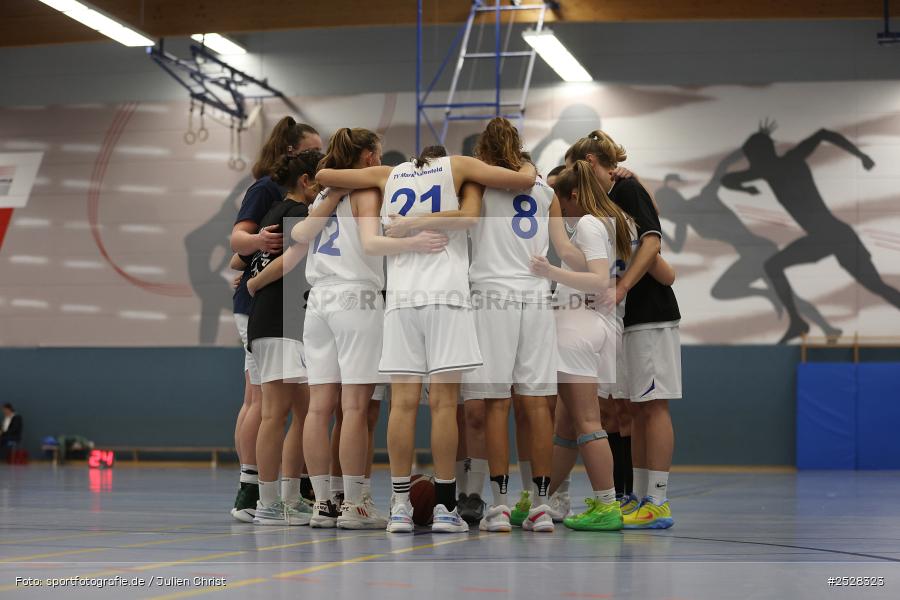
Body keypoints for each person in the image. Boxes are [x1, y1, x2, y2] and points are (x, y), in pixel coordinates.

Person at [316, 147, 534, 533]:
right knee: (445, 404)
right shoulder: (458, 167)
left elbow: (325, 176)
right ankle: (446, 508)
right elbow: (522, 181)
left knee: (400, 405)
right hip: (446, 297)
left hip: (401, 300)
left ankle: (400, 507)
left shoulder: (388, 174)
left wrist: (402, 222)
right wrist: (528, 164)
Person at [460, 118, 588, 533]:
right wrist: (597, 268)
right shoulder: (546, 191)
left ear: (484, 150)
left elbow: (463, 228)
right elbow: (566, 250)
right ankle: (540, 506)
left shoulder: (478, 184)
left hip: (491, 296)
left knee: (496, 400)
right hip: (536, 296)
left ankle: (498, 506)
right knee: (537, 403)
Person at [566, 130, 680, 529]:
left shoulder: (627, 189)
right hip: (627, 318)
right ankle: (640, 497)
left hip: (649, 313)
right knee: (636, 409)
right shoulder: (608, 203)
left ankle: (658, 500)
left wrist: (623, 286)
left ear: (593, 164)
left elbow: (654, 246)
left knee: (653, 405)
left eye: (578, 171)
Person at [290, 128, 390, 529]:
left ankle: (322, 502)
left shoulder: (321, 194)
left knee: (319, 408)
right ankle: (354, 504)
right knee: (354, 408)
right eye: (378, 154)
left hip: (318, 302)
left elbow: (297, 234)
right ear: (367, 157)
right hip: (357, 296)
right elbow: (370, 244)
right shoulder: (366, 192)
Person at [228, 118, 322, 522]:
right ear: (302, 175)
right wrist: (256, 281)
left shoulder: (279, 208)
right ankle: (262, 496)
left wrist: (252, 270)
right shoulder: (291, 206)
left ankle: (284, 493)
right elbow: (250, 248)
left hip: (272, 318)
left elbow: (238, 258)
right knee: (269, 408)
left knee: (296, 411)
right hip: (279, 316)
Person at [721, 123, 893, 342]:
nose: (751, 162)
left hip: (834, 236)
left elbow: (727, 179)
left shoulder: (773, 168)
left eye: (751, 156)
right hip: (829, 237)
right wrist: (861, 156)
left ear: (760, 154)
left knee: (877, 286)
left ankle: (796, 320)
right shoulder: (780, 164)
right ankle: (797, 321)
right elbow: (823, 134)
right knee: (773, 266)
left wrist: (861, 155)